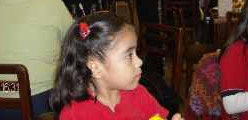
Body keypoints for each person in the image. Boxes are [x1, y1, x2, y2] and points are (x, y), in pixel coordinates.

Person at [50, 15, 184, 120]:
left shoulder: (139, 94)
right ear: (95, 68)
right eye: (128, 55)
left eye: (136, 52)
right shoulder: (75, 115)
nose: (140, 62)